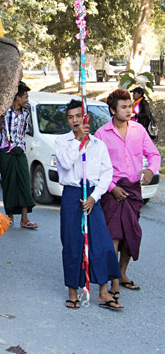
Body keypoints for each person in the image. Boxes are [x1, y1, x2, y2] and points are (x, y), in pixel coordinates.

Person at [55, 100, 123, 310]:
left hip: (92, 196)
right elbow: (66, 164)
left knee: (102, 244)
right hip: (72, 194)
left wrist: (94, 197)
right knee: (73, 244)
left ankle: (103, 292)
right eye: (70, 117)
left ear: (86, 118)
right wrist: (78, 142)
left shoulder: (98, 145)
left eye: (78, 116)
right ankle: (73, 292)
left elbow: (106, 173)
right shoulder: (62, 142)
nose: (75, 120)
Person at [95, 89, 161, 297]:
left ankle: (122, 273)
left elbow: (154, 154)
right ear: (113, 110)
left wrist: (150, 170)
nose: (129, 110)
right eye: (123, 107)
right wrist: (112, 188)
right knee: (114, 236)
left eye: (129, 106)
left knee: (131, 236)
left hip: (133, 191)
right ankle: (114, 281)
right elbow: (97, 167)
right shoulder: (101, 134)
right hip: (112, 191)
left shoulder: (139, 131)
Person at [0, 82, 38, 229]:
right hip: (6, 151)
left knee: (24, 183)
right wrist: (1, 117)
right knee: (9, 184)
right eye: (25, 96)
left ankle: (24, 219)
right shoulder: (5, 112)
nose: (27, 100)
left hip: (20, 151)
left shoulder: (26, 114)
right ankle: (10, 217)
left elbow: (24, 134)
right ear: (17, 98)